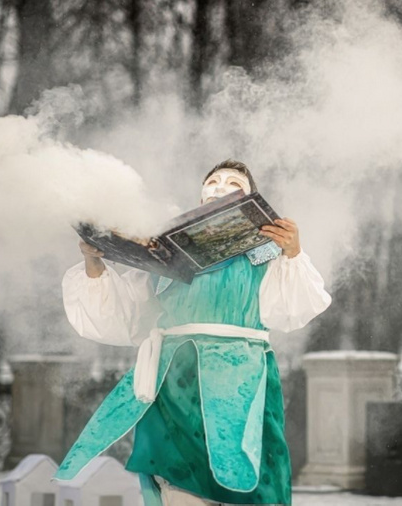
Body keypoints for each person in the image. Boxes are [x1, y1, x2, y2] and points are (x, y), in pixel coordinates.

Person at [54, 160, 332, 506]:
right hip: (175, 387)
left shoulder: (264, 253)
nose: (219, 186)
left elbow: (295, 308)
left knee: (248, 480)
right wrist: (95, 260)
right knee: (179, 485)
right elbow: (126, 316)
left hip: (241, 384)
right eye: (212, 181)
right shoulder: (168, 256)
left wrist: (292, 252)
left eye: (233, 182)